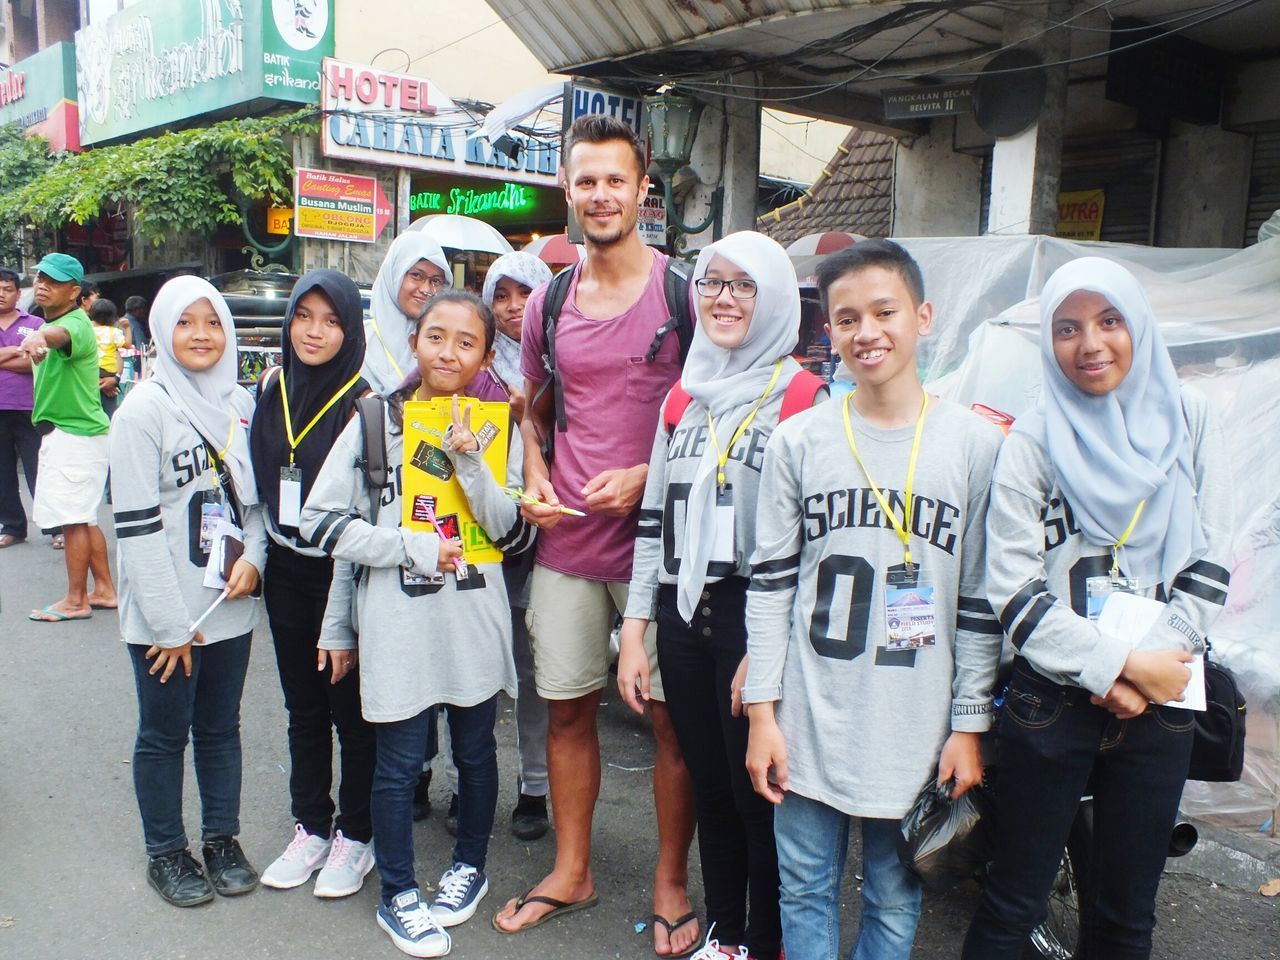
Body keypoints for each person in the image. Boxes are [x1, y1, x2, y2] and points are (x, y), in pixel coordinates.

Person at [961, 259, 1232, 960]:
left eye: (1109, 320)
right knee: (1013, 901)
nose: (1091, 344)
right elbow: (1013, 592)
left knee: (1125, 917)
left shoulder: (1188, 419)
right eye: (1067, 328)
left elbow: (1212, 558)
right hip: (1051, 701)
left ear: (1137, 324)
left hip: (1164, 694)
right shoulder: (1031, 442)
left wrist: (1152, 669)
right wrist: (1115, 667)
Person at [742, 240, 1004, 960]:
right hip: (808, 715)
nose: (867, 333)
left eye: (885, 312)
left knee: (896, 895)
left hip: (915, 724)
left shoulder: (976, 446)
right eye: (846, 318)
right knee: (803, 888)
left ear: (923, 316)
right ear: (827, 330)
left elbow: (980, 603)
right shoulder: (798, 441)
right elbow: (770, 586)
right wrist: (764, 713)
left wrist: (969, 723)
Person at [493, 114, 700, 959]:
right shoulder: (548, 301)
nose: (601, 195)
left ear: (642, 188)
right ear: (568, 192)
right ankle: (572, 870)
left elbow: (718, 419)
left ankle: (669, 884)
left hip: (663, 544)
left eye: (616, 180)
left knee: (670, 723)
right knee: (567, 710)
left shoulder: (685, 294)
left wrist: (649, 478)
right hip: (569, 545)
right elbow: (533, 409)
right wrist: (535, 475)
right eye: (586, 181)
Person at [302, 290, 535, 958]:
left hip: (473, 617)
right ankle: (398, 894)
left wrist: (469, 459)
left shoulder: (498, 424)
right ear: (414, 341)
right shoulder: (375, 421)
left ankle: (469, 867)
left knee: (475, 752)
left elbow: (510, 531)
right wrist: (398, 555)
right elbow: (322, 523)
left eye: (468, 342)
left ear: (487, 354)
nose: (450, 352)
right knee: (398, 762)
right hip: (399, 622)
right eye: (437, 336)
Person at [620, 231, 820, 960]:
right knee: (708, 787)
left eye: (743, 285)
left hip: (750, 613)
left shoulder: (803, 396)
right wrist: (636, 630)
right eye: (712, 283)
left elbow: (810, 541)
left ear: (772, 299)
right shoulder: (683, 396)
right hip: (683, 608)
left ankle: (765, 943)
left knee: (756, 796)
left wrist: (769, 648)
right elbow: (653, 520)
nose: (725, 299)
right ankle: (726, 936)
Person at [109, 276, 266, 907]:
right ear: (162, 330)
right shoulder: (142, 412)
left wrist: (254, 559)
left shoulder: (241, 404)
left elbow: (256, 506)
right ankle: (167, 852)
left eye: (212, 321)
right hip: (164, 617)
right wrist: (170, 625)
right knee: (164, 734)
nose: (201, 334)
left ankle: (222, 840)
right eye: (185, 322)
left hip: (228, 604)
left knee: (222, 729)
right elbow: (138, 530)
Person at [249, 270, 378, 897]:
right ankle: (312, 827)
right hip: (285, 569)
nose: (314, 332)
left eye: (331, 320)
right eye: (304, 316)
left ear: (350, 328)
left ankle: (357, 835)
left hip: (343, 571)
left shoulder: (368, 403)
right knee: (302, 707)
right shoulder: (270, 386)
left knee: (350, 712)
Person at [468, 250, 553, 840]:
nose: (512, 307)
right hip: (476, 534)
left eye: (525, 294)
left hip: (544, 537)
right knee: (471, 663)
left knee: (531, 670)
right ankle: (467, 780)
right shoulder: (474, 364)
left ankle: (535, 787)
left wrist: (531, 419)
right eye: (501, 295)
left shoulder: (562, 361)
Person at [19, 253, 117, 620]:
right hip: (79, 434)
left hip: (74, 435)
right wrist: (30, 343)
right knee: (85, 518)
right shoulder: (55, 325)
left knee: (73, 520)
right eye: (41, 278)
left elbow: (53, 337)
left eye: (54, 281)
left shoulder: (72, 325)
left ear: (75, 291)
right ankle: (104, 590)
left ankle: (76, 601)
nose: (43, 285)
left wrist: (38, 336)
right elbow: (34, 351)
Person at [362, 232, 452, 395]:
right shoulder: (360, 341)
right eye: (417, 275)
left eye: (435, 281)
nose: (426, 289)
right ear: (394, 275)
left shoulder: (447, 343)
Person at [0, 267, 43, 548]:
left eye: (7, 289)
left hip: (29, 407)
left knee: (38, 469)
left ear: (18, 293)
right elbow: (24, 356)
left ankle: (56, 528)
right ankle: (13, 526)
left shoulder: (37, 324)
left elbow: (37, 362)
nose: (1, 295)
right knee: (1, 472)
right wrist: (18, 350)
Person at [91, 297, 130, 417]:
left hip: (91, 372)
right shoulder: (114, 332)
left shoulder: (88, 331)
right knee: (110, 412)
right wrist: (127, 328)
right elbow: (127, 345)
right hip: (109, 373)